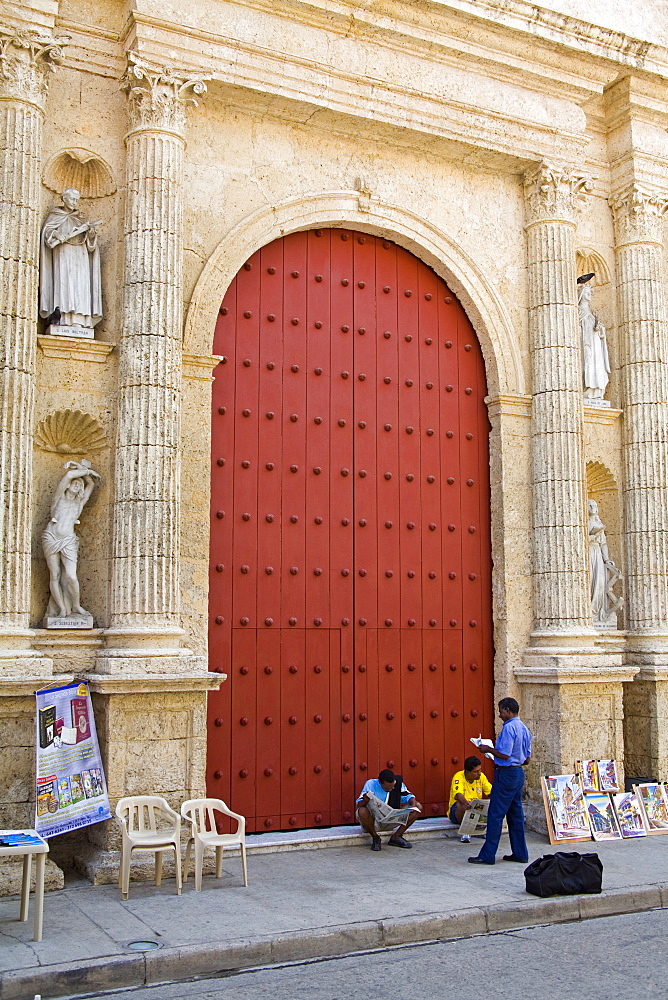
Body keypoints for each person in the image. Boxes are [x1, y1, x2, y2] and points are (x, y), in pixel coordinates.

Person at [468, 697, 532, 865]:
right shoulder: (524, 728)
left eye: (501, 711)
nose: (499, 714)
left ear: (508, 711)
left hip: (506, 774)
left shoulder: (509, 728)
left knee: (495, 814)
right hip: (518, 773)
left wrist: (488, 749)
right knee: (515, 815)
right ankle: (520, 852)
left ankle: (487, 855)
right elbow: (527, 759)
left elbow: (505, 754)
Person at [42, 460, 100, 618]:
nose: (78, 485)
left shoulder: (79, 503)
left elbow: (91, 485)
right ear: (67, 485)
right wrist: (86, 471)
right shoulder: (58, 498)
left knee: (71, 576)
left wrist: (85, 472)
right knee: (55, 574)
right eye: (75, 483)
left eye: (80, 485)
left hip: (68, 539)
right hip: (51, 537)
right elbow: (69, 475)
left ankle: (76, 606)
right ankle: (61, 609)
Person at [40, 187, 102, 332]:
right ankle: (63, 318)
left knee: (80, 285)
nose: (75, 202)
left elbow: (91, 245)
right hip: (63, 253)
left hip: (80, 255)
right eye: (72, 199)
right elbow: (47, 235)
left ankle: (80, 320)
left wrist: (91, 234)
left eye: (77, 200)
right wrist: (56, 234)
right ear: (64, 199)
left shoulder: (80, 218)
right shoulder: (55, 216)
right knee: (65, 283)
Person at [356, 769, 421, 851]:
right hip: (374, 823)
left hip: (391, 820)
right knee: (362, 811)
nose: (390, 789)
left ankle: (396, 837)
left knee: (418, 807)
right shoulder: (370, 784)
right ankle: (375, 838)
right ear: (380, 783)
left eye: (392, 787)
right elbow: (359, 805)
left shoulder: (397, 783)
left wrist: (412, 804)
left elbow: (409, 796)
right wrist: (365, 800)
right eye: (387, 788)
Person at [448, 755, 493, 844]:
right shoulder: (459, 776)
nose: (479, 773)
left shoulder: (481, 777)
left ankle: (480, 830)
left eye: (480, 770)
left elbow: (491, 791)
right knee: (461, 804)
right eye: (476, 772)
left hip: (476, 811)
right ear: (467, 772)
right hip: (458, 812)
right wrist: (467, 804)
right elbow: (459, 795)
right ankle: (465, 832)